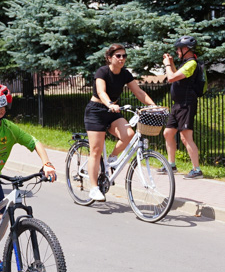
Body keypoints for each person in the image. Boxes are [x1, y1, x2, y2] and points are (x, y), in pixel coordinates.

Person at [0, 84, 58, 271]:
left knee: (0, 216)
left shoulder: (10, 129)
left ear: (1, 112)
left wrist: (47, 163)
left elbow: (34, 142)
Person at [83, 43, 157, 202]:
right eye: (118, 56)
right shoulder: (102, 71)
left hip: (113, 111)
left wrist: (153, 106)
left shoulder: (125, 74)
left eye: (124, 56)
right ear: (109, 58)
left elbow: (139, 92)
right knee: (95, 150)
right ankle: (94, 188)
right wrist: (109, 103)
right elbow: (101, 91)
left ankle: (111, 159)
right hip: (96, 111)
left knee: (129, 134)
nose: (122, 58)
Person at [163, 35, 204, 179]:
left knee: (186, 137)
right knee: (168, 133)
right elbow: (175, 74)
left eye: (179, 50)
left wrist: (167, 65)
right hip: (178, 105)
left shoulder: (192, 63)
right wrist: (172, 63)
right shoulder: (185, 63)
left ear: (186, 49)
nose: (177, 52)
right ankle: (171, 165)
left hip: (186, 104)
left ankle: (196, 169)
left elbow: (171, 78)